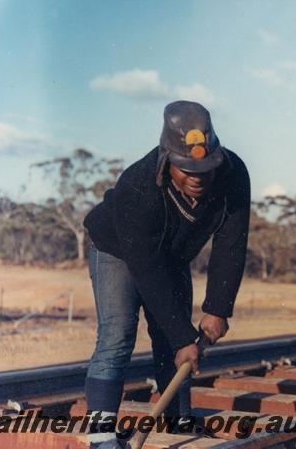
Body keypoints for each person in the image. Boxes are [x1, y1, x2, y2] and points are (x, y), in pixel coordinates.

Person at [82, 100, 251, 448]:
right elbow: (147, 269)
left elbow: (231, 243)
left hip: (172, 255)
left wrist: (218, 307)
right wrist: (182, 338)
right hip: (117, 250)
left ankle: (174, 426)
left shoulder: (234, 174)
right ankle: (101, 436)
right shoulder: (137, 186)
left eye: (206, 168)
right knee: (118, 335)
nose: (197, 177)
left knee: (173, 341)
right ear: (167, 160)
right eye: (187, 169)